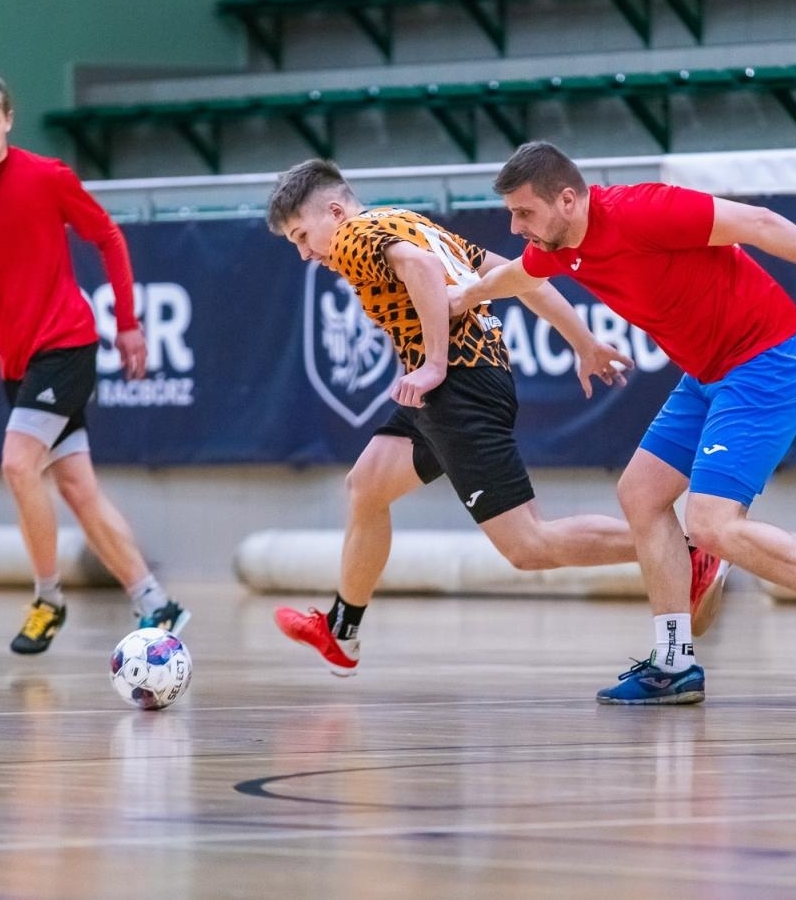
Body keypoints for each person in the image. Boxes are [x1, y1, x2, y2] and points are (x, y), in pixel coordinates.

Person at [451, 142, 796, 707]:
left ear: (566, 200)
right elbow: (518, 276)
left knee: (712, 523)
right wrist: (463, 297)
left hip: (770, 359)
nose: (516, 227)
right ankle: (674, 662)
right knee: (640, 495)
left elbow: (759, 223)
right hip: (708, 372)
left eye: (524, 213)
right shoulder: (558, 248)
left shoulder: (643, 211)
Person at [264, 159, 729, 676]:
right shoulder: (408, 221)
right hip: (465, 385)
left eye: (304, 235)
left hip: (454, 387)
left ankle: (686, 553)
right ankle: (342, 630)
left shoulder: (353, 236)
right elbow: (523, 276)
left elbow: (418, 270)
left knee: (528, 545)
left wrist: (435, 364)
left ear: (334, 210)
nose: (307, 253)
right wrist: (584, 342)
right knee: (367, 485)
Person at [0, 71, 188, 654]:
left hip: (67, 343)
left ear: (8, 120)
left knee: (17, 465)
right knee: (80, 489)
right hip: (15, 362)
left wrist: (129, 324)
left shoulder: (47, 177)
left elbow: (108, 237)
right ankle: (155, 602)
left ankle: (47, 599)